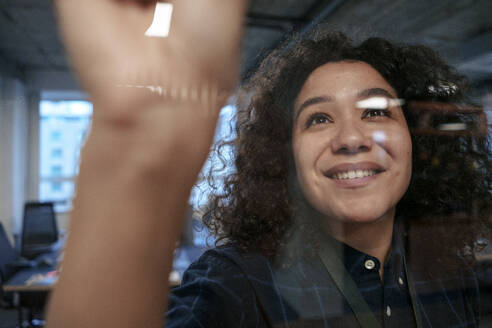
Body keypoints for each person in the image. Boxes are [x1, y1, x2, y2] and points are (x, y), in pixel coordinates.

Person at [46, 1, 491, 328]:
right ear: (285, 155)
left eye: (375, 111)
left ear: (412, 138)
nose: (352, 138)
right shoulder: (239, 282)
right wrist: (134, 146)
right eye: (318, 118)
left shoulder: (451, 271)